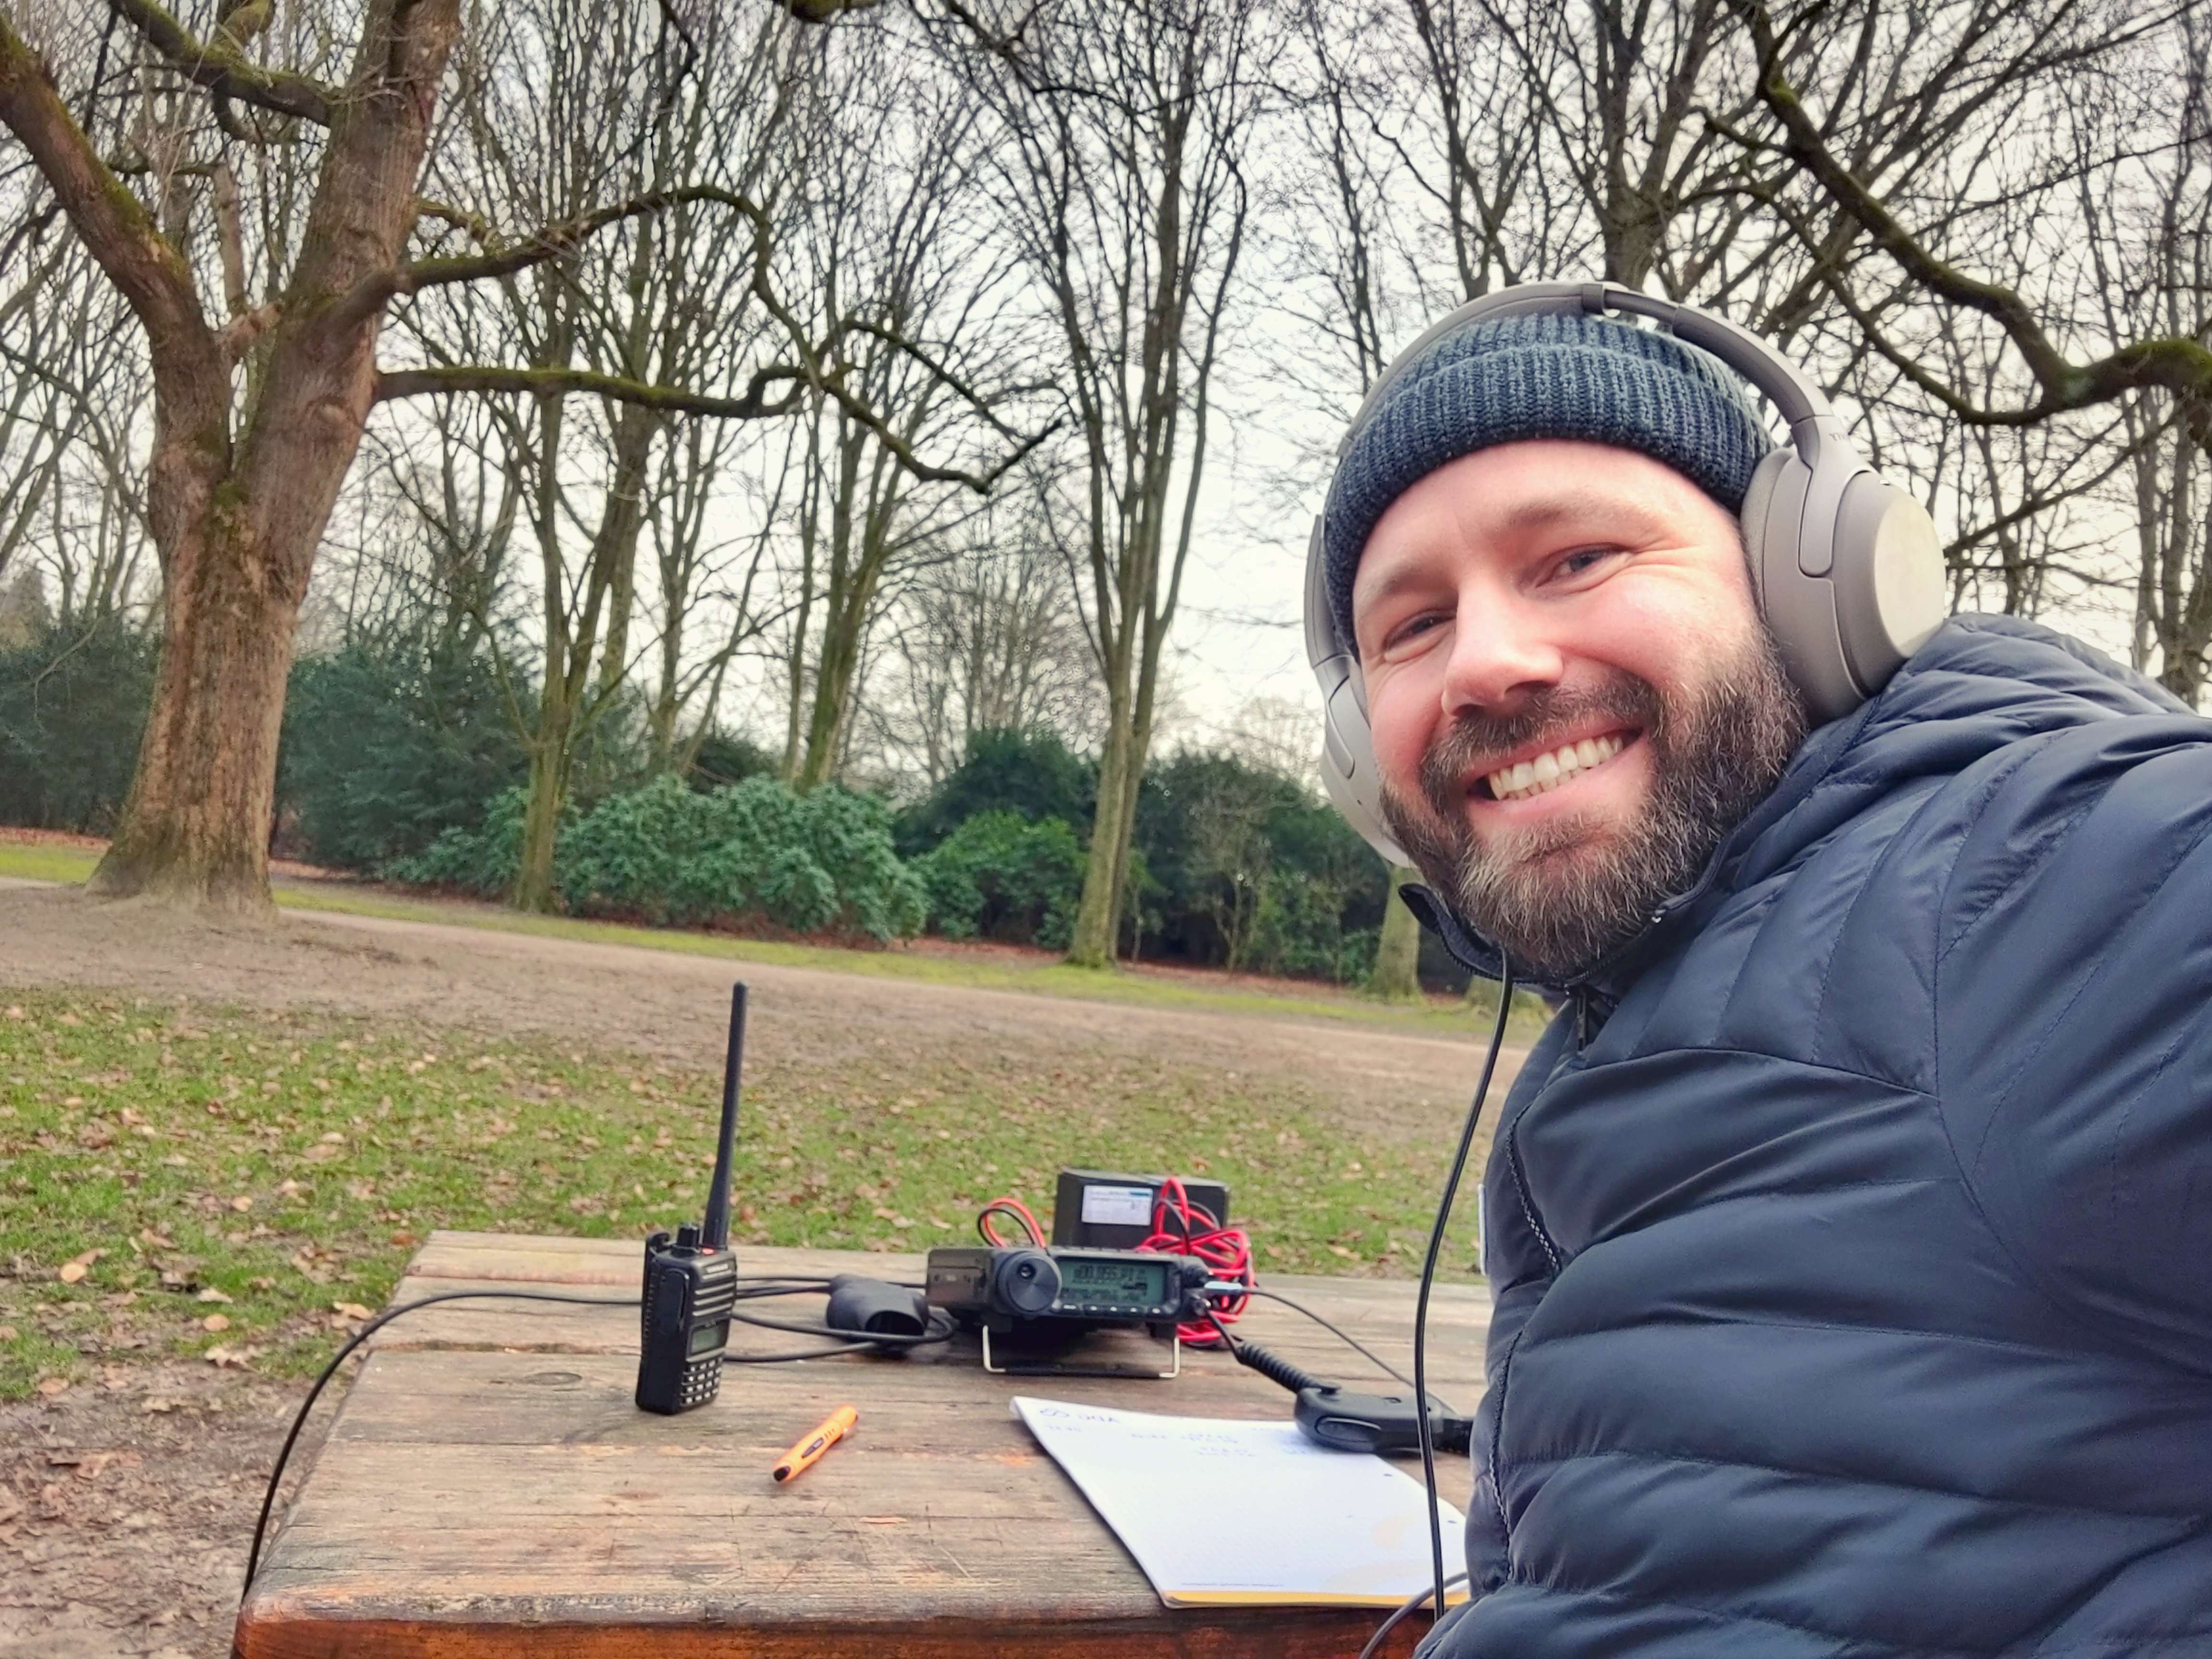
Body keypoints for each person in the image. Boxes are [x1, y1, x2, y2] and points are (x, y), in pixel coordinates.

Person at [1306, 289, 2212, 1656]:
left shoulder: (2048, 872)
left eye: (1578, 558)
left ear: (1810, 588)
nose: (1486, 662)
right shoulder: (1657, 988)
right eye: (1414, 627)